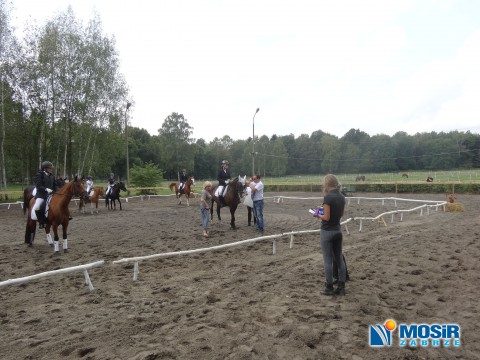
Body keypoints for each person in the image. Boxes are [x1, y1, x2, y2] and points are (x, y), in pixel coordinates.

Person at [317, 174, 347, 296]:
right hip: (337, 230)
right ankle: (341, 286)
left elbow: (326, 217)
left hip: (327, 231)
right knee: (339, 258)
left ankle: (329, 287)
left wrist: (317, 214)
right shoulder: (342, 197)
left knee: (327, 260)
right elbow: (341, 214)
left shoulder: (328, 198)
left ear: (327, 185)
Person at [32, 161, 58, 229]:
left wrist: (57, 190)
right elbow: (38, 186)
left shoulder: (52, 175)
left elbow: (55, 185)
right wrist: (46, 189)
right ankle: (41, 222)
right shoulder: (39, 175)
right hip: (41, 194)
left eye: (51, 168)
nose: (51, 169)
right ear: (45, 168)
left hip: (51, 194)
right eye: (50, 168)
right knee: (37, 207)